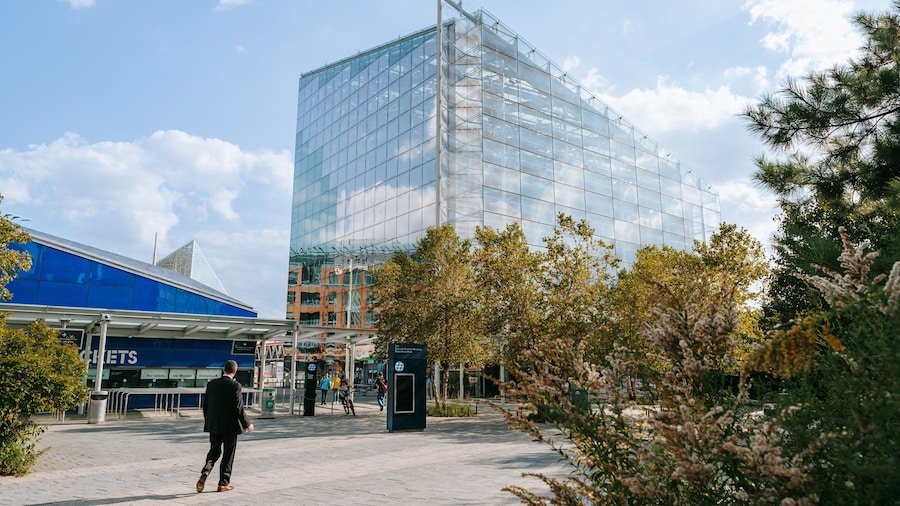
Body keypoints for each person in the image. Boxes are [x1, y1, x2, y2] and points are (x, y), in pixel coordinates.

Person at [196, 360, 254, 493]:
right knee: (228, 454)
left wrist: (209, 420)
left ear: (223, 370)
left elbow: (206, 406)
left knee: (214, 450)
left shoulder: (211, 384)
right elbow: (238, 408)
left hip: (214, 424)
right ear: (235, 372)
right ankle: (223, 483)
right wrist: (247, 424)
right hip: (230, 426)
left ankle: (206, 470)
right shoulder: (235, 386)